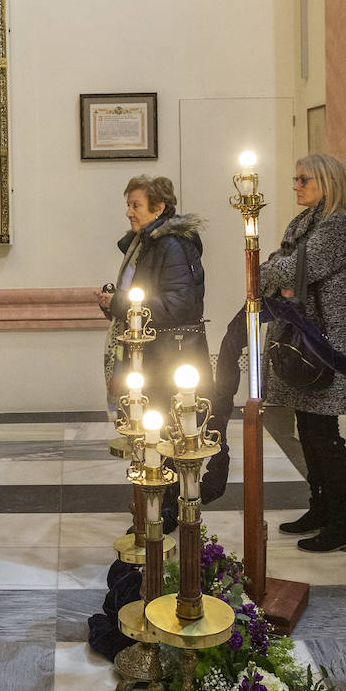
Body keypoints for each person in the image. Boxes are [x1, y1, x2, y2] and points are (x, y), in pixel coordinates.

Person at [96, 176, 225, 504]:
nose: (128, 212)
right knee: (153, 435)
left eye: (135, 205)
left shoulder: (169, 244)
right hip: (153, 352)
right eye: (128, 204)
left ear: (160, 207)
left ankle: (164, 512)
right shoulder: (147, 241)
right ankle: (153, 508)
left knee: (165, 436)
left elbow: (178, 305)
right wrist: (116, 303)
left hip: (170, 356)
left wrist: (121, 303)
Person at [263, 154, 346, 553]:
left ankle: (342, 523)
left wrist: (282, 274)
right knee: (308, 431)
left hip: (324, 343)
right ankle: (319, 508)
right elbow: (279, 267)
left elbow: (284, 271)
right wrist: (281, 273)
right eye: (295, 177)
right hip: (299, 336)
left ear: (327, 181)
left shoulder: (338, 226)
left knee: (325, 436)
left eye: (303, 179)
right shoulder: (304, 223)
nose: (295, 185)